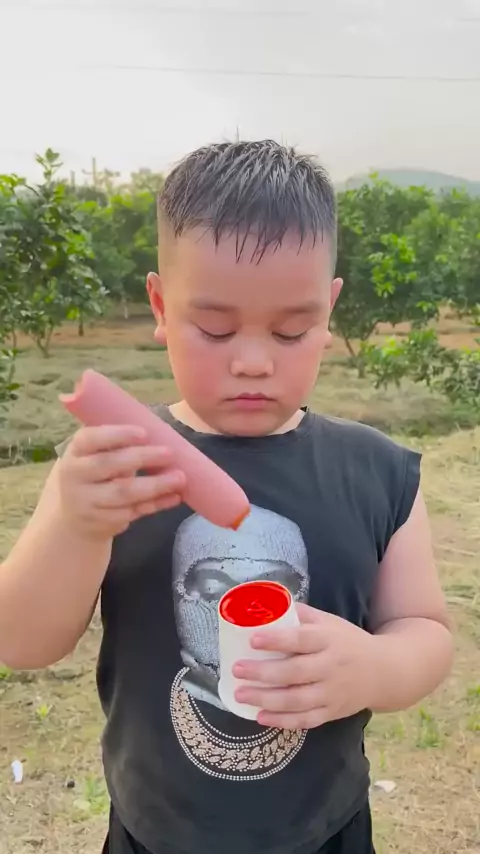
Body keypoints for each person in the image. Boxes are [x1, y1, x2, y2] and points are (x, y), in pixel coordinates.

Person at [0, 140, 454, 854]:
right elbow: (23, 643)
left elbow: (426, 630)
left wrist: (376, 668)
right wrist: (74, 523)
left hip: (327, 832)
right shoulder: (115, 469)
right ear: (160, 304)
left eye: (292, 330)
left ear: (329, 311)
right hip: (154, 834)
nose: (252, 361)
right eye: (214, 328)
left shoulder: (377, 473)